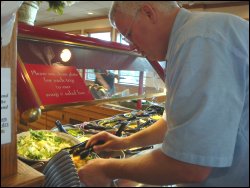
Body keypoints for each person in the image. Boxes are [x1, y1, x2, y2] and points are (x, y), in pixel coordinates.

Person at [78, 1, 249, 187]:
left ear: (148, 13)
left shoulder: (198, 40)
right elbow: (172, 123)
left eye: (129, 35)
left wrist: (107, 169)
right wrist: (123, 143)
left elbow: (191, 167)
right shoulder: (186, 39)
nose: (132, 47)